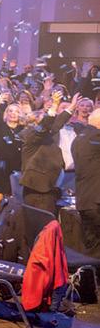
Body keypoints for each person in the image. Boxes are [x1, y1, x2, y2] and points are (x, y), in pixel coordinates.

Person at [20, 92, 78, 215]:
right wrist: (54, 106)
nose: (52, 121)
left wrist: (71, 107)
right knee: (42, 223)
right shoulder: (31, 136)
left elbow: (55, 124)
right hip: (37, 191)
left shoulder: (46, 134)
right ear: (35, 122)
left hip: (50, 188)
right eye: (44, 117)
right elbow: (45, 126)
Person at [72, 108, 100, 259]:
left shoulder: (79, 139)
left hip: (84, 200)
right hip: (96, 202)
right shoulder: (95, 138)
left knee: (92, 247)